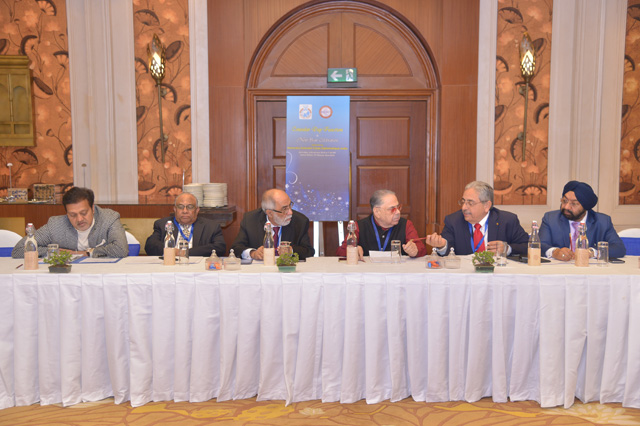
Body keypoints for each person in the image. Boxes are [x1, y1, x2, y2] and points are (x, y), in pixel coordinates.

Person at [12, 186, 128, 258]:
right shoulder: (55, 225)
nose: (79, 219)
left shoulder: (108, 218)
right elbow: (19, 250)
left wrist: (88, 253)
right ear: (66, 213)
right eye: (73, 215)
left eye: (83, 213)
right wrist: (55, 252)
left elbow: (121, 249)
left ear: (92, 208)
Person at [424, 181, 529, 256]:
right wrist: (442, 245)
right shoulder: (453, 221)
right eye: (463, 202)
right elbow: (447, 246)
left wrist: (507, 249)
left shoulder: (507, 221)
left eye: (470, 203)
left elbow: (528, 246)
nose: (464, 207)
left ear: (486, 206)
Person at [539, 180, 626, 261]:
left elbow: (619, 248)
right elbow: (539, 245)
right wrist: (554, 252)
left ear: (585, 206)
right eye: (564, 201)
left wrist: (592, 252)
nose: (566, 207)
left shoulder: (602, 221)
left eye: (574, 203)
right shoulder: (550, 219)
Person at [336, 189, 427, 259]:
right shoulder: (359, 226)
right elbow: (341, 252)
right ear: (377, 212)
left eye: (398, 207)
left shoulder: (406, 225)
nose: (398, 212)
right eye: (392, 209)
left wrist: (415, 250)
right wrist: (353, 250)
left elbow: (422, 249)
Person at [231, 188, 314, 260]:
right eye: (284, 209)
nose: (290, 212)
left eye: (290, 205)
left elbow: (309, 251)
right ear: (270, 213)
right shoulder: (250, 220)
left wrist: (291, 251)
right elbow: (235, 248)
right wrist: (253, 253)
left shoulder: (300, 221)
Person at [145, 192, 226, 257]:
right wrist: (171, 252)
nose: (185, 211)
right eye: (180, 207)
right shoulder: (162, 224)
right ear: (175, 209)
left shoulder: (211, 226)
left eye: (190, 207)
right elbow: (150, 245)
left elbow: (220, 248)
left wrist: (184, 253)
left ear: (197, 210)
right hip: (170, 265)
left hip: (197, 267)